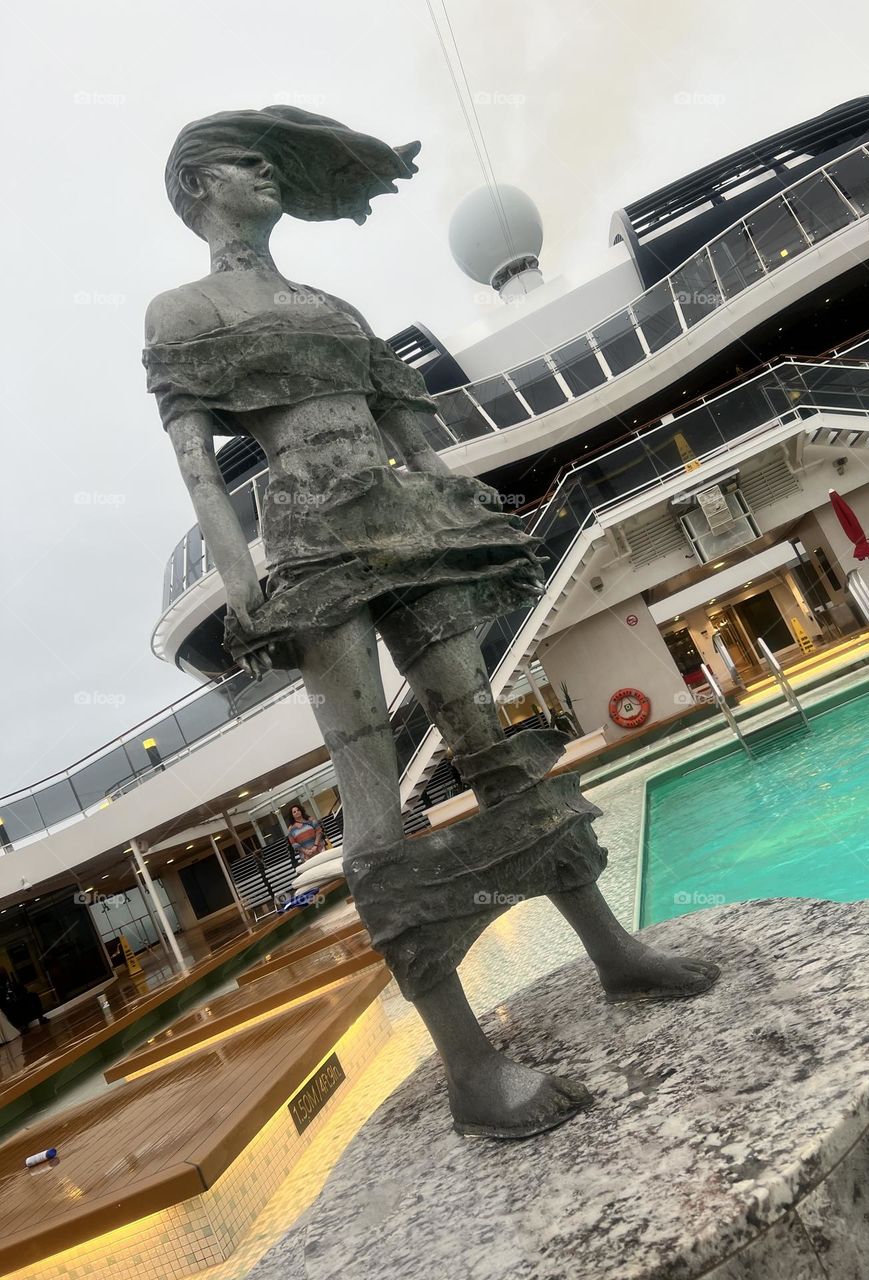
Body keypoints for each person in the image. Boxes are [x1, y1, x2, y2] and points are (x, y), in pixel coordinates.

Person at [145, 105, 718, 1139]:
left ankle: (613, 951)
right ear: (197, 188)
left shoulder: (328, 303)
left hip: (404, 522)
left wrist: (458, 487)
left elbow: (406, 419)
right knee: (371, 795)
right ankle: (468, 1064)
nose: (266, 176)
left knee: (492, 741)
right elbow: (199, 462)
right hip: (312, 543)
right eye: (245, 164)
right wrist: (242, 584)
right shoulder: (180, 313)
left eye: (275, 165)